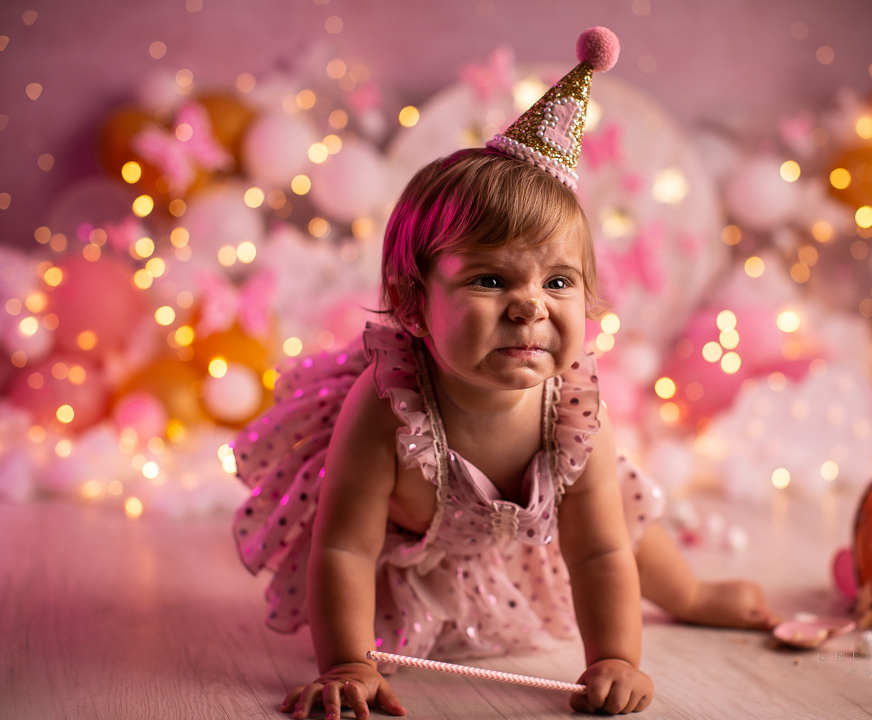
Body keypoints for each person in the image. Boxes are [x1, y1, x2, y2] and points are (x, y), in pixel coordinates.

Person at [232, 28, 773, 720]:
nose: (529, 306)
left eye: (557, 281)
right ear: (412, 304)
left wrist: (614, 660)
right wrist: (346, 665)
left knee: (627, 517)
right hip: (417, 536)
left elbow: (602, 548)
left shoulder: (573, 409)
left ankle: (691, 596)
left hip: (529, 527)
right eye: (490, 279)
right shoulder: (389, 406)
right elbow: (343, 544)